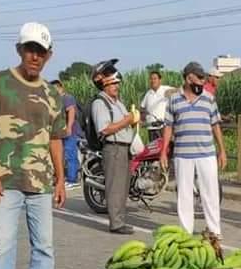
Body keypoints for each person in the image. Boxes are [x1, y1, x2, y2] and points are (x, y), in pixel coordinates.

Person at [0, 23, 68, 269]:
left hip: (41, 182)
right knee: (2, 244)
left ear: (49, 55)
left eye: (41, 52)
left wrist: (59, 179)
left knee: (44, 245)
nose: (35, 56)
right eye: (30, 49)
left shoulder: (52, 94)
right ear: (19, 50)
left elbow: (56, 138)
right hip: (5, 181)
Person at [160, 61, 226, 255]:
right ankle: (185, 233)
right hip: (183, 154)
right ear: (189, 78)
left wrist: (222, 150)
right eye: (200, 77)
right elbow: (168, 127)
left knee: (210, 193)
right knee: (185, 195)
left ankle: (215, 231)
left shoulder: (208, 99)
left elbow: (215, 125)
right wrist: (164, 151)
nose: (203, 81)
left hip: (206, 153)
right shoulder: (174, 100)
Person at [91, 58, 138, 237]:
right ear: (104, 85)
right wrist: (127, 120)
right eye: (113, 84)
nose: (116, 86)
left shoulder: (117, 102)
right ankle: (116, 223)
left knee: (124, 185)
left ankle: (120, 219)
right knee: (115, 186)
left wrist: (132, 122)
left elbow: (124, 123)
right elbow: (104, 129)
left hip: (124, 148)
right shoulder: (100, 103)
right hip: (113, 148)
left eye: (117, 83)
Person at [51, 79, 81, 188]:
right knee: (60, 156)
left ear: (60, 87)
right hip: (60, 132)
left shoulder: (67, 98)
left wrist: (69, 128)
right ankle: (61, 178)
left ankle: (73, 180)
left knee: (70, 155)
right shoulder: (56, 100)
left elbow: (71, 112)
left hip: (70, 132)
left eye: (55, 88)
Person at [140, 70, 173, 142]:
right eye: (151, 79)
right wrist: (142, 119)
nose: (152, 81)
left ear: (160, 80)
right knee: (153, 150)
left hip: (163, 127)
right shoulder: (148, 93)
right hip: (151, 128)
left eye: (155, 78)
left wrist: (172, 91)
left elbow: (179, 90)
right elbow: (142, 108)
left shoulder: (165, 89)